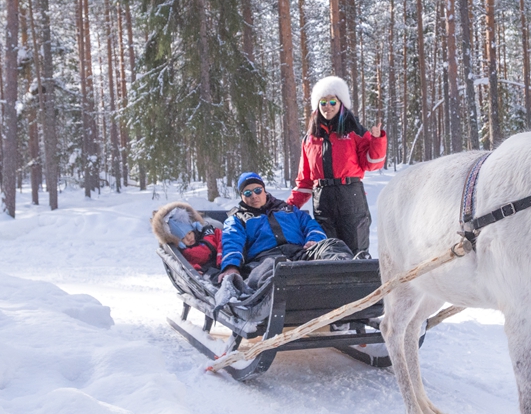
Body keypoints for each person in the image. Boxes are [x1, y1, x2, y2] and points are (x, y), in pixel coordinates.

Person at [287, 76, 386, 258]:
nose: (328, 106)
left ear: (341, 103)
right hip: (323, 200)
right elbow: (305, 181)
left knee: (356, 251)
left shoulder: (354, 131)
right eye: (323, 102)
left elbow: (372, 164)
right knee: (328, 252)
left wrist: (377, 140)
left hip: (350, 196)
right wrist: (289, 207)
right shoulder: (309, 139)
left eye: (333, 101)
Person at [219, 172, 350, 299]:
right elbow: (232, 242)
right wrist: (231, 266)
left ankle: (351, 278)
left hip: (299, 253)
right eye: (247, 193)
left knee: (333, 245)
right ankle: (283, 295)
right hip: (264, 260)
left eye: (257, 190)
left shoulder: (289, 210)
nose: (254, 196)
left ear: (264, 190)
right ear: (241, 196)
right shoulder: (237, 219)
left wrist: (314, 240)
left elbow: (311, 226)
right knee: (271, 269)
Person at [152, 202, 222, 274]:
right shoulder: (184, 253)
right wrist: (196, 270)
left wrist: (221, 258)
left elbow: (222, 240)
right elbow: (187, 264)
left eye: (189, 233)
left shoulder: (207, 233)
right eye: (183, 238)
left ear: (194, 228)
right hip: (207, 270)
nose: (189, 238)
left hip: (222, 261)